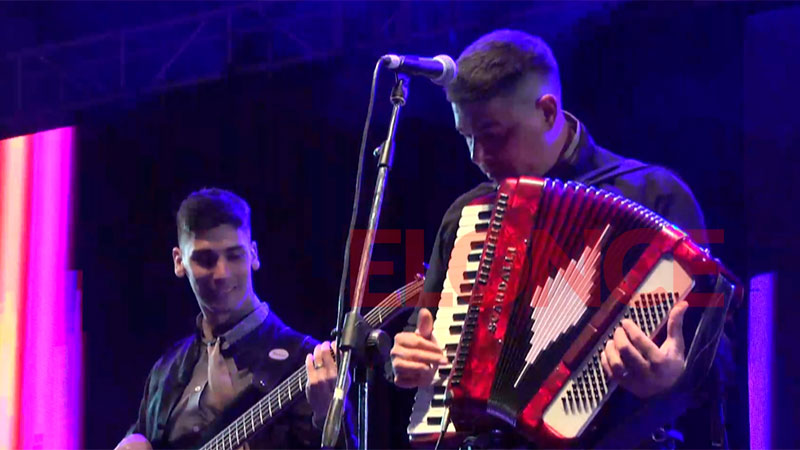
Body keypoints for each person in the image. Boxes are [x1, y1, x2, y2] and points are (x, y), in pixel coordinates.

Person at [390, 29, 731, 448]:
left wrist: (673, 378)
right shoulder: (468, 216)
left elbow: (716, 354)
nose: (477, 156)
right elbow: (421, 334)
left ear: (547, 112)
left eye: (492, 135)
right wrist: (408, 358)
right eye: (467, 137)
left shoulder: (654, 195)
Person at [115, 188, 350, 450]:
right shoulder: (166, 369)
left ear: (254, 254)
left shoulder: (304, 360)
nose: (222, 274)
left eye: (235, 255)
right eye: (206, 260)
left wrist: (328, 417)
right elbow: (139, 436)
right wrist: (133, 441)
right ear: (179, 262)